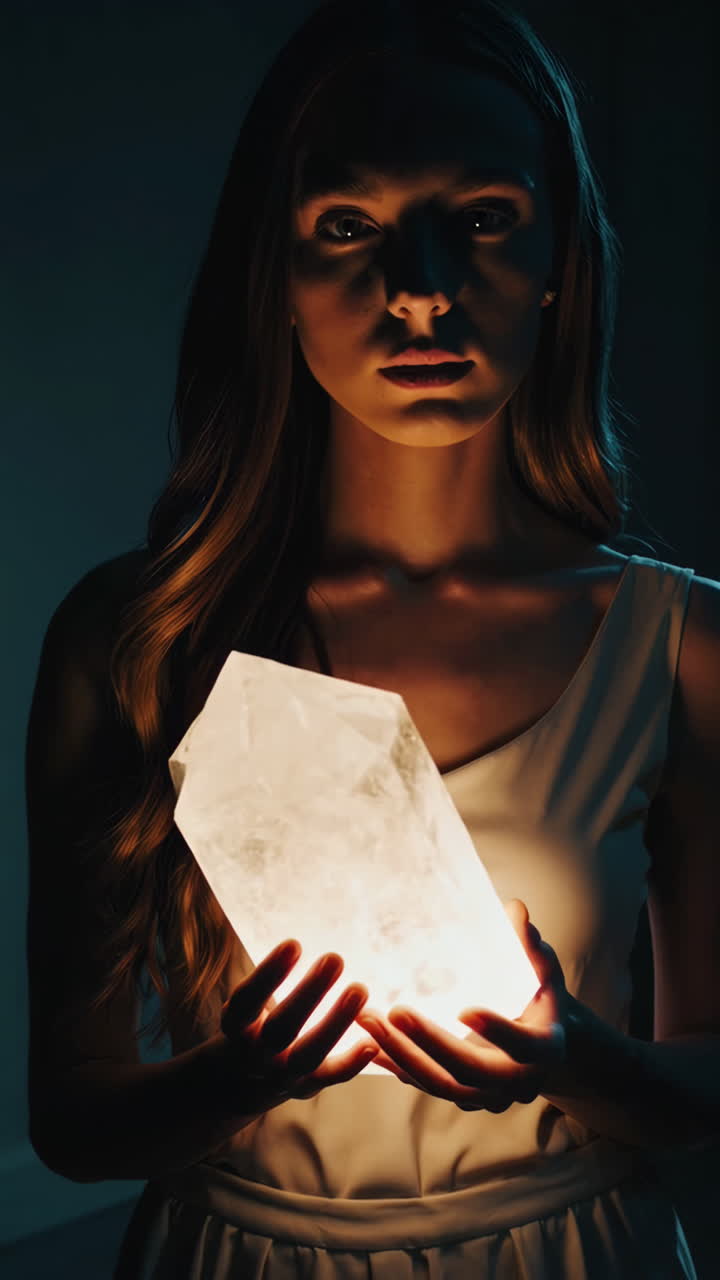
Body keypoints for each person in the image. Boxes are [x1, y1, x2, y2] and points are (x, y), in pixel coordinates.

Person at [25, 0, 719, 1275]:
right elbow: (67, 1115)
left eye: (484, 219)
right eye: (349, 226)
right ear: (273, 274)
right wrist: (235, 1077)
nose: (420, 290)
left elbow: (711, 1076)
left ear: (563, 257)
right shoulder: (134, 637)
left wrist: (579, 1062)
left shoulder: (682, 643)